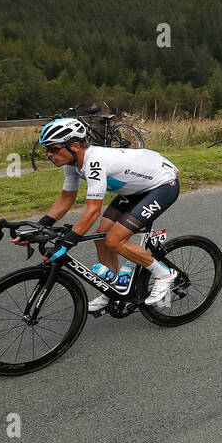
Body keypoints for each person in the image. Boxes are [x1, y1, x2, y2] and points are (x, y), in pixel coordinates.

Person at [29, 118, 181, 309]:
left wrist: (66, 244)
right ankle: (112, 289)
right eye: (47, 149)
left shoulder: (94, 162)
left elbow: (93, 211)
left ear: (74, 146)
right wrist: (41, 225)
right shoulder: (72, 163)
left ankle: (165, 274)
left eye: (53, 148)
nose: (48, 154)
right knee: (100, 238)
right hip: (135, 190)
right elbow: (66, 199)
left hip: (162, 186)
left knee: (114, 239)